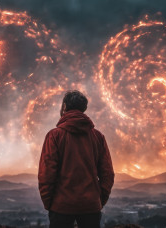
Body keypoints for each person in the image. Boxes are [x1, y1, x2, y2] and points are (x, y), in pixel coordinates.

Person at [38, 90, 115, 228]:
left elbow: (46, 175)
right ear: (84, 108)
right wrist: (98, 200)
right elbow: (107, 174)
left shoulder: (54, 136)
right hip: (91, 205)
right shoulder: (98, 137)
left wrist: (49, 203)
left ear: (65, 107)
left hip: (60, 206)